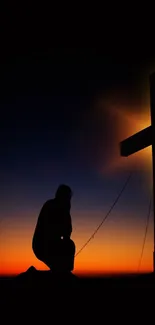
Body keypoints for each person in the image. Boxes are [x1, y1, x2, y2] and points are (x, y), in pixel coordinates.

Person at [32, 184, 75, 272]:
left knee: (68, 247)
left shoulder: (51, 204)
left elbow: (66, 232)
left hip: (43, 246)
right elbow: (66, 234)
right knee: (70, 245)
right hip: (43, 246)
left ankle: (61, 271)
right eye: (67, 197)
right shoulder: (52, 206)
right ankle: (64, 273)